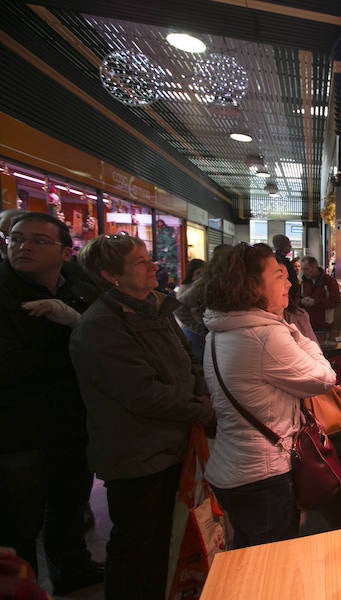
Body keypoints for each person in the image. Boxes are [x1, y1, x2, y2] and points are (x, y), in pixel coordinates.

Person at [70, 233, 213, 600]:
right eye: (139, 262)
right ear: (109, 275)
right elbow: (142, 394)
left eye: (148, 258)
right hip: (136, 455)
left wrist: (201, 394)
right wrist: (203, 408)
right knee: (138, 547)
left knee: (164, 541)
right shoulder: (100, 326)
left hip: (170, 447)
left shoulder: (156, 310)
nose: (152, 265)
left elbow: (186, 364)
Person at [201, 244, 336, 548]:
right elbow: (323, 377)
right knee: (273, 565)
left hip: (231, 468)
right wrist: (298, 333)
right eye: (279, 275)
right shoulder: (267, 335)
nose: (289, 282)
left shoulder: (219, 329)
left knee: (249, 557)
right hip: (263, 475)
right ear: (251, 285)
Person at [0, 212, 103, 595]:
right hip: (19, 431)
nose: (23, 246)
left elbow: (108, 340)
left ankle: (74, 568)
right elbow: (11, 365)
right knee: (19, 520)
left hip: (73, 421)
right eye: (16, 238)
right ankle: (23, 585)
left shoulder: (80, 288)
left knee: (70, 503)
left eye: (38, 240)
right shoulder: (4, 292)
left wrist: (78, 327)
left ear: (65, 251)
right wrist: (76, 347)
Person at [174, 258, 207, 361]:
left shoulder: (197, 286)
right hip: (194, 331)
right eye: (198, 273)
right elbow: (178, 308)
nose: (201, 276)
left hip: (196, 329)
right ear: (192, 273)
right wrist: (197, 327)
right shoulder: (190, 288)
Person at [298, 255, 340, 334]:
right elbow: (297, 299)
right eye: (302, 269)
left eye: (306, 269)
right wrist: (301, 302)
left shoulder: (329, 281)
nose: (304, 272)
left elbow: (335, 301)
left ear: (314, 267)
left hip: (325, 325)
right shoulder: (304, 282)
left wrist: (315, 302)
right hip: (307, 324)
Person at [272, 234, 300, 305]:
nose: (290, 247)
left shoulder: (280, 259)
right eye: (288, 244)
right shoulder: (280, 260)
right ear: (282, 246)